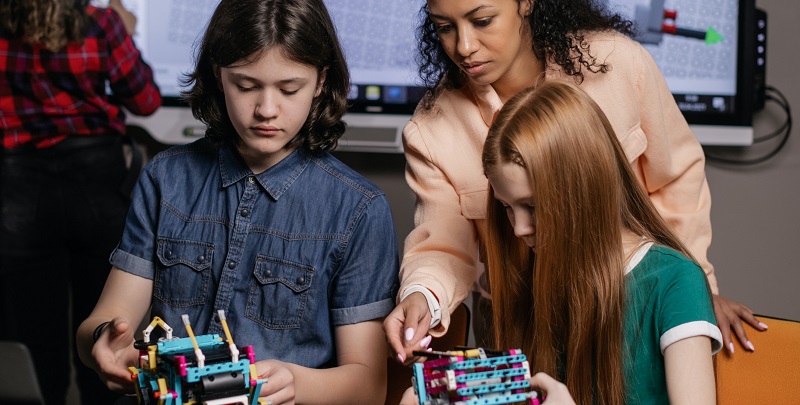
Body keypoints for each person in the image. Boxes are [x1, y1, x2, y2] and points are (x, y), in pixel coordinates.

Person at [385, 0, 765, 365]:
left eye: (482, 21)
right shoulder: (431, 128)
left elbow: (676, 179)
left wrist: (697, 289)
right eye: (445, 28)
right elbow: (441, 245)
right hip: (517, 322)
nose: (464, 47)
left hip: (630, 303)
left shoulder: (619, 64)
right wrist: (422, 296)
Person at [75, 0, 399, 403]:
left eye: (289, 88)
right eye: (245, 86)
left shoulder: (359, 209)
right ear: (218, 75)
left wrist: (297, 383)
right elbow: (100, 324)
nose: (265, 110)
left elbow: (368, 389)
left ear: (320, 82)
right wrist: (103, 343)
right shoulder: (165, 178)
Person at [481, 81, 721, 404]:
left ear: (582, 190)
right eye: (507, 208)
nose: (519, 229)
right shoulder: (535, 277)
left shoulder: (676, 282)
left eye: (533, 207)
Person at [0, 1, 161, 404]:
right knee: (107, 328)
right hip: (96, 180)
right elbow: (145, 100)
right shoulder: (102, 23)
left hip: (18, 183)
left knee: (33, 329)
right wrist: (125, 28)